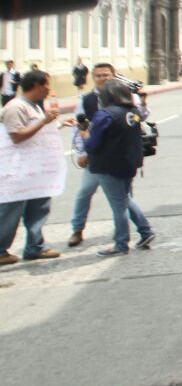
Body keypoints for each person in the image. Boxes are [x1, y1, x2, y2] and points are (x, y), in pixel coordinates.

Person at [68, 63, 150, 248]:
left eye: (106, 75)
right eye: (98, 75)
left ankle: (123, 238)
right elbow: (79, 125)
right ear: (93, 78)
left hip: (112, 158)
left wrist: (143, 102)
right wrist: (82, 151)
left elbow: (139, 118)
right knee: (87, 192)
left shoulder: (124, 100)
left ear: (114, 76)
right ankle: (78, 229)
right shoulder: (87, 100)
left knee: (121, 199)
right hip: (98, 157)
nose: (102, 78)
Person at [0, 70, 66, 265]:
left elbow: (39, 131)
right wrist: (44, 121)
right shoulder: (15, 107)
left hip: (37, 170)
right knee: (10, 211)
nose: (49, 89)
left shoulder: (36, 107)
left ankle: (35, 247)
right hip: (17, 170)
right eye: (47, 85)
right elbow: (17, 136)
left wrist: (58, 124)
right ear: (36, 85)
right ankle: (1, 251)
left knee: (39, 209)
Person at [84, 79, 155, 257]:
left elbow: (92, 144)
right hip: (129, 162)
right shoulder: (133, 112)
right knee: (125, 199)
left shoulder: (105, 115)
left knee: (118, 205)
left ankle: (121, 243)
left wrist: (84, 133)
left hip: (108, 164)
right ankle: (145, 231)